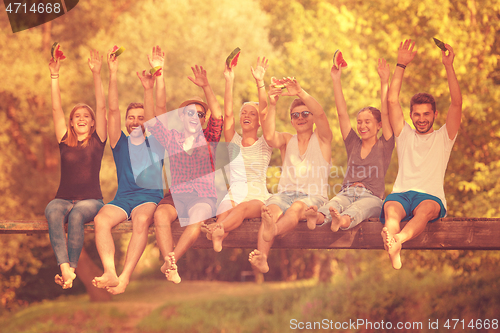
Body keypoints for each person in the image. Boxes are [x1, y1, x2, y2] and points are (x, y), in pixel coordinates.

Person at [381, 39, 462, 269]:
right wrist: (400, 64)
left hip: (430, 198)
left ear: (435, 114)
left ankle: (397, 240)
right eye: (417, 114)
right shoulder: (404, 135)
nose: (422, 119)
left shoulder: (444, 138)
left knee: (425, 210)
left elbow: (456, 103)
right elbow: (391, 100)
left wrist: (448, 65)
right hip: (402, 194)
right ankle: (393, 245)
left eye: (426, 114)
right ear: (411, 115)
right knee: (391, 210)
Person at [92, 46, 164, 294]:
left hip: (149, 198)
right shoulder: (118, 142)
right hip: (123, 199)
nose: (135, 121)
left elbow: (154, 116)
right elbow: (111, 110)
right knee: (101, 219)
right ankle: (110, 271)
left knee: (142, 220)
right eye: (131, 117)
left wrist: (148, 89)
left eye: (140, 117)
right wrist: (112, 72)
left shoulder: (155, 140)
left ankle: (125, 277)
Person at [145, 63, 223, 283]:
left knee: (197, 217)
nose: (195, 117)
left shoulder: (209, 138)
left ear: (203, 119)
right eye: (190, 113)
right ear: (181, 117)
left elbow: (218, 116)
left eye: (199, 114)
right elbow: (152, 119)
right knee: (160, 215)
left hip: (202, 197)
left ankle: (170, 263)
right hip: (176, 196)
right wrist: (149, 87)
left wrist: (206, 86)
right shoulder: (172, 138)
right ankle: (170, 265)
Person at [249, 76, 333, 274]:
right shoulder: (288, 140)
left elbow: (321, 114)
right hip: (285, 194)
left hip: (312, 197)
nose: (301, 117)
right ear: (292, 120)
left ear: (311, 117)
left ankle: (274, 231)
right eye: (295, 115)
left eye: (305, 113)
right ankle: (262, 258)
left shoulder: (322, 139)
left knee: (296, 208)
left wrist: (300, 92)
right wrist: (272, 103)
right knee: (269, 212)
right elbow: (269, 136)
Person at [305, 59, 394, 232]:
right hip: (347, 192)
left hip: (372, 198)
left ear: (379, 125)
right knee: (334, 204)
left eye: (368, 122)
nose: (362, 126)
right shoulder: (353, 143)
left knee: (358, 210)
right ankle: (316, 217)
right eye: (359, 122)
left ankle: (341, 221)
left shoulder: (385, 145)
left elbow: (386, 111)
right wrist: (336, 79)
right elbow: (342, 113)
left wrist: (384, 82)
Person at [45, 50, 107, 289]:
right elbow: (55, 110)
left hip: (91, 201)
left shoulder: (98, 140)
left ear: (92, 122)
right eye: (76, 116)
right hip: (63, 198)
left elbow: (101, 108)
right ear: (71, 122)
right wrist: (54, 76)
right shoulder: (64, 140)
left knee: (77, 215)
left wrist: (97, 75)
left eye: (86, 116)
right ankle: (65, 269)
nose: (81, 118)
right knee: (52, 210)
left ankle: (69, 268)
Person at [201, 57, 273, 252]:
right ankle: (219, 237)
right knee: (223, 209)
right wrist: (229, 79)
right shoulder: (233, 141)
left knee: (240, 209)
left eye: (252, 113)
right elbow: (228, 114)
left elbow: (266, 112)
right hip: (234, 193)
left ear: (259, 121)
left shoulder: (265, 142)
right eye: (244, 113)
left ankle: (217, 229)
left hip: (257, 197)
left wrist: (260, 82)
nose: (247, 116)